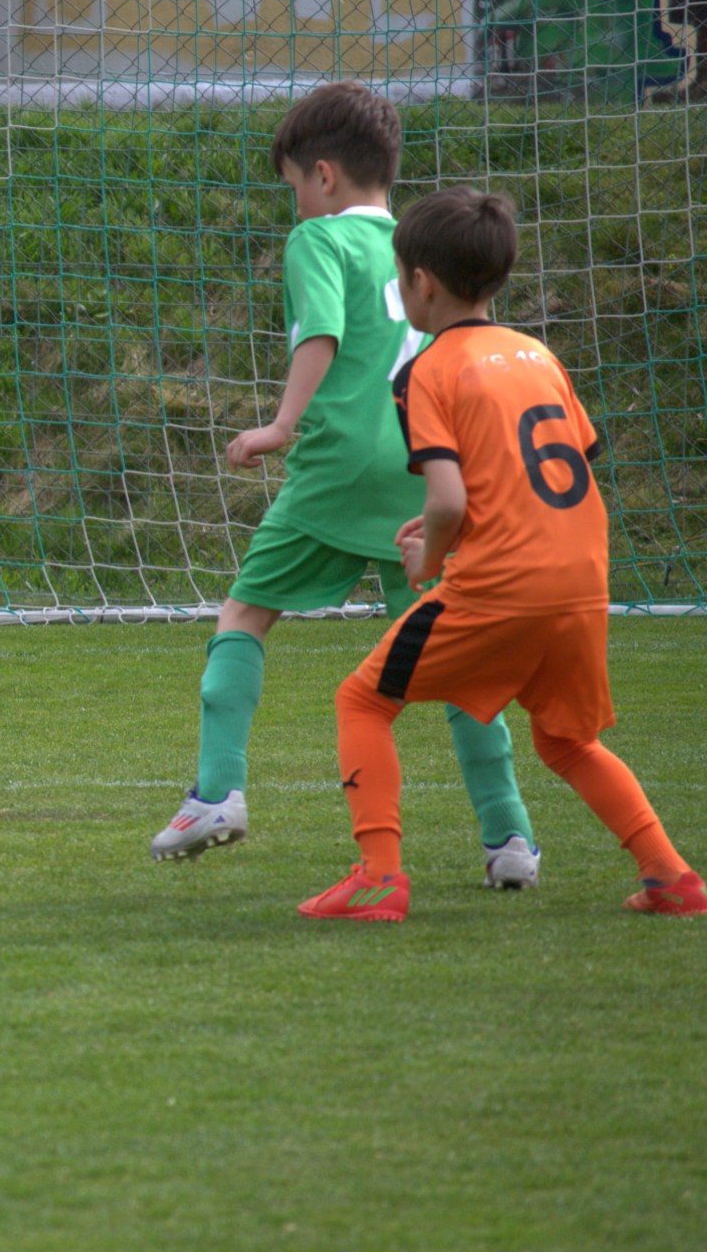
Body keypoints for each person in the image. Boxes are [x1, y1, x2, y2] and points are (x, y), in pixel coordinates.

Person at [150, 82, 540, 887]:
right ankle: (509, 839)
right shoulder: (424, 247)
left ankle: (217, 793)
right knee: (459, 661)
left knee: (245, 613)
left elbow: (320, 333)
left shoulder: (318, 239)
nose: (295, 201)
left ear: (322, 175)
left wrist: (280, 425)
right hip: (427, 469)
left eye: (293, 184)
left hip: (339, 468)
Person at [300, 187, 707, 921]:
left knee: (362, 700)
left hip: (501, 586)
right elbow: (553, 474)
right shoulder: (538, 357)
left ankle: (379, 877)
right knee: (566, 741)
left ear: (420, 281)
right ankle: (670, 875)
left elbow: (448, 499)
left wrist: (430, 558)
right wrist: (458, 531)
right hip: (581, 582)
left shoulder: (428, 370)